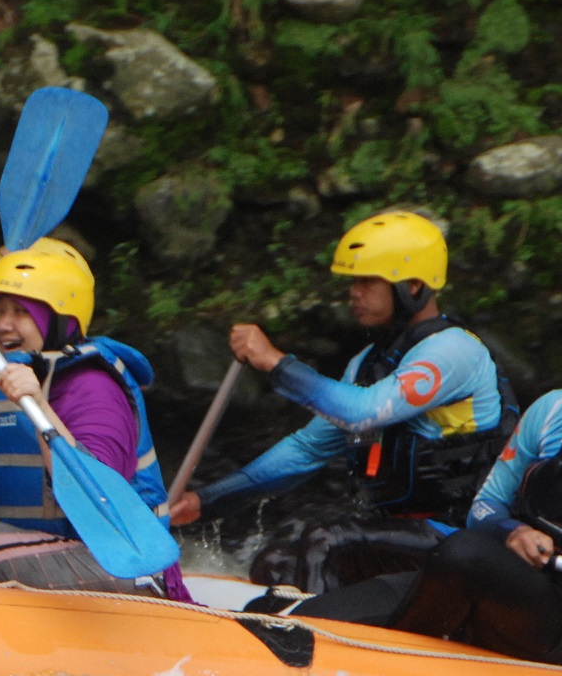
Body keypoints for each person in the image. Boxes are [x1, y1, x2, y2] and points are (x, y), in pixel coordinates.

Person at [293, 286, 562, 676]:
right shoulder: (555, 411)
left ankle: (390, 671)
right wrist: (512, 530)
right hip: (490, 579)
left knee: (464, 555)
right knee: (304, 621)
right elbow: (484, 509)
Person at [169, 210, 517, 594]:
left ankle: (317, 641)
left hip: (461, 538)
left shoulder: (454, 352)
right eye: (354, 281)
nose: (355, 292)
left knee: (327, 542)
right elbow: (306, 450)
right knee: (274, 564)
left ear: (414, 286)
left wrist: (276, 363)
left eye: (368, 281)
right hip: (401, 531)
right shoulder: (367, 364)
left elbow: (363, 413)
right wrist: (207, 501)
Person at [0, 224, 185, 599]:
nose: (3, 325)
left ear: (58, 319)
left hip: (121, 569)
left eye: (21, 312)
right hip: (36, 549)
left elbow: (97, 499)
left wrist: (40, 407)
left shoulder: (95, 388)